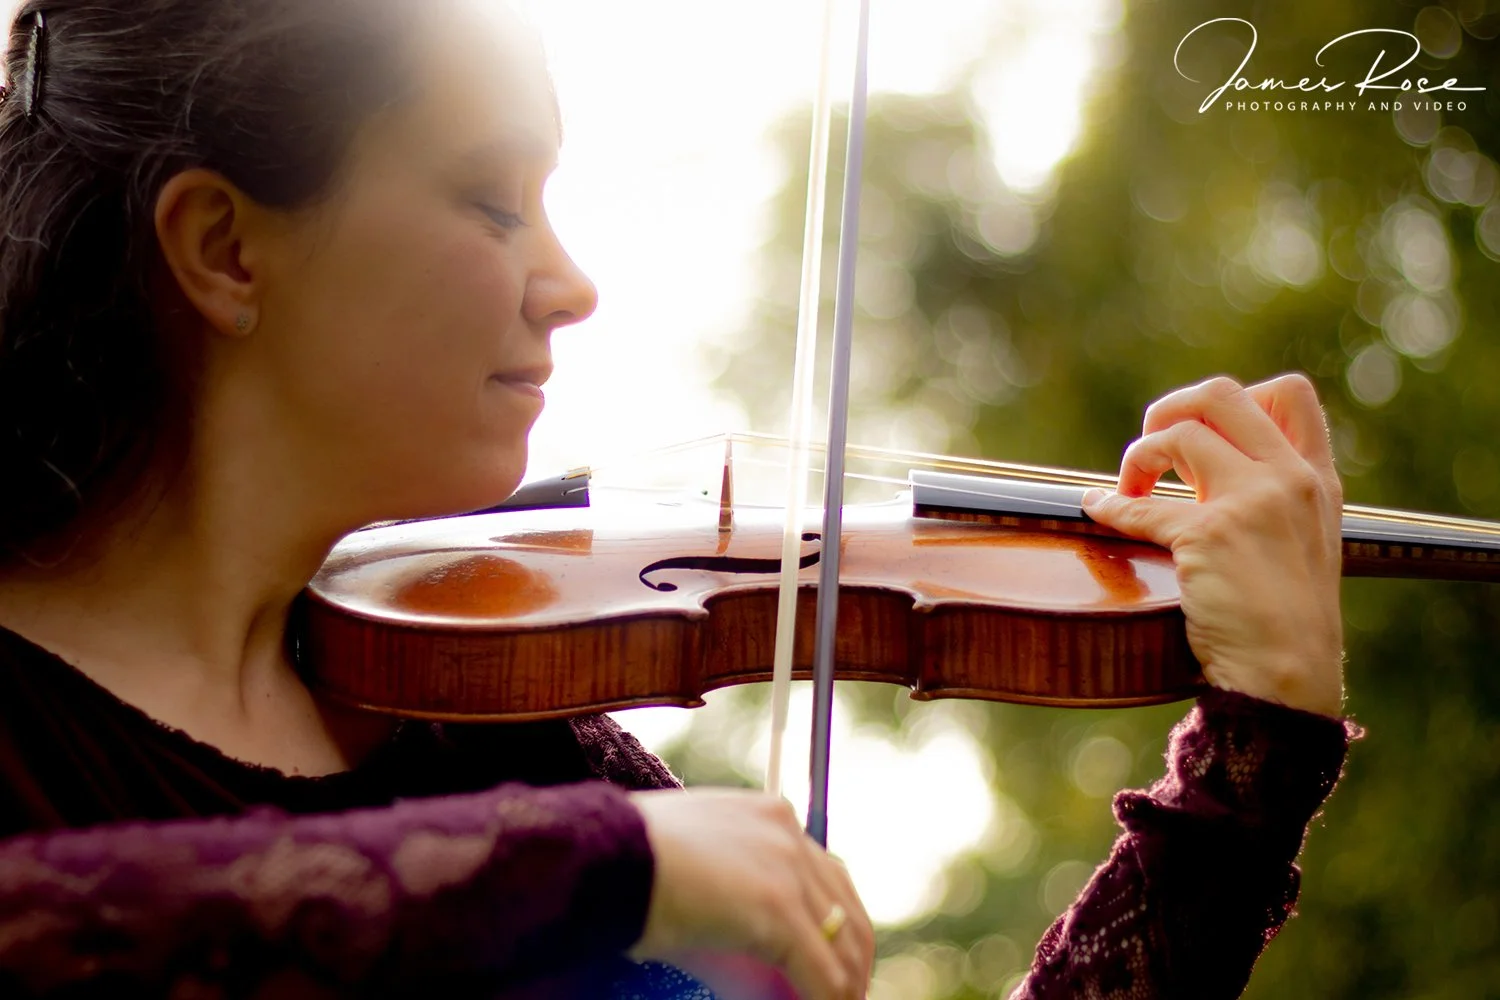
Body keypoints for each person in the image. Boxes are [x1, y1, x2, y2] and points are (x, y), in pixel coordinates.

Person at [0, 1, 1355, 997]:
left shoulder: (489, 721)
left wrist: (1251, 760)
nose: (571, 284)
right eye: (489, 199)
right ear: (224, 248)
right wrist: (599, 864)